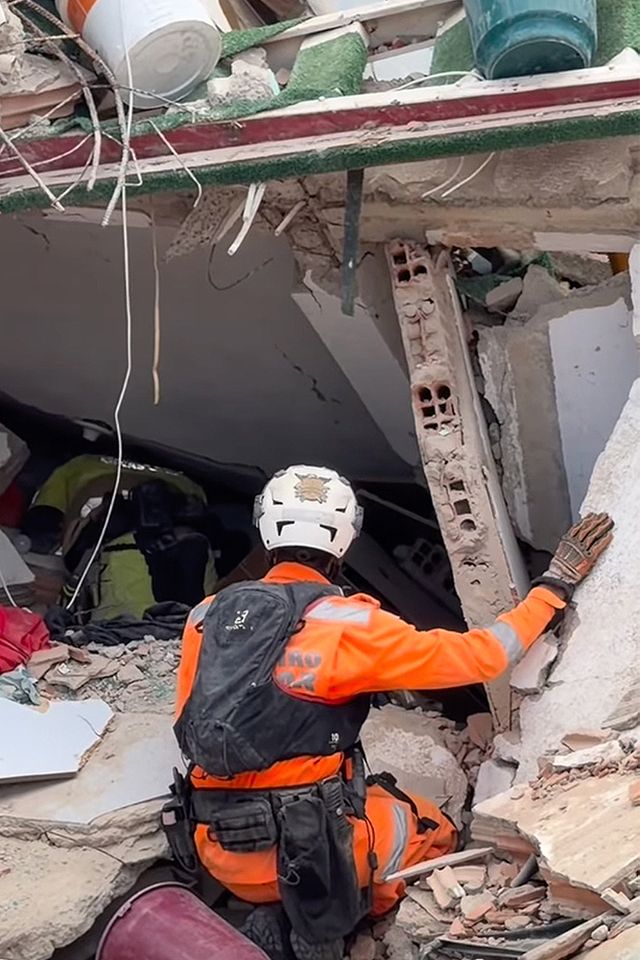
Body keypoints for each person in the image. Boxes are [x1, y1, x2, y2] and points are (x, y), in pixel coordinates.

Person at [172, 466, 613, 960]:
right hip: (308, 858)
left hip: (217, 847)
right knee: (431, 829)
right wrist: (553, 587)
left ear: (265, 528)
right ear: (345, 538)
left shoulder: (206, 616)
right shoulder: (350, 624)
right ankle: (329, 925)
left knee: (351, 791)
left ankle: (275, 912)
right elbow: (482, 655)